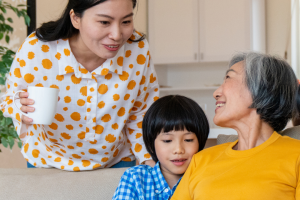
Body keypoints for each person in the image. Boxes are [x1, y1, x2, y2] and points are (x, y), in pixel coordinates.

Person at [0, 0, 159, 171]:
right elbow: (10, 99)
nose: (117, 34)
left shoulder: (137, 49)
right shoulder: (37, 49)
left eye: (126, 21)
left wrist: (149, 161)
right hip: (48, 163)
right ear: (75, 18)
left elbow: (142, 112)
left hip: (116, 162)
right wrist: (19, 108)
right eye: (104, 22)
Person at [171, 52, 300, 200]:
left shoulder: (297, 156)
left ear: (260, 88)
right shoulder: (200, 160)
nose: (216, 93)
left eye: (228, 78)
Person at [112, 95, 209, 199]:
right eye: (167, 140)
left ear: (200, 141)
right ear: (150, 143)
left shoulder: (206, 177)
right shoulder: (135, 178)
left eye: (188, 140)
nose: (178, 150)